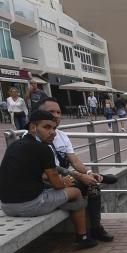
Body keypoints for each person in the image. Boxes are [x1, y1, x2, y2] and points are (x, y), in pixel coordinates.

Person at [0, 110, 97, 249]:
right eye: (47, 127)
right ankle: (82, 237)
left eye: (54, 128)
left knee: (55, 190)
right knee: (75, 192)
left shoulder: (16, 145)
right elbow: (57, 184)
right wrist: (65, 182)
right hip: (29, 205)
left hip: (6, 205)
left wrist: (73, 176)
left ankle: (64, 208)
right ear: (33, 127)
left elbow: (38, 173)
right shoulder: (43, 149)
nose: (53, 132)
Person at [38, 98, 115, 242]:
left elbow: (74, 160)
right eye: (51, 112)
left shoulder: (62, 136)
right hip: (47, 182)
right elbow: (45, 172)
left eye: (58, 112)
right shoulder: (34, 139)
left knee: (92, 185)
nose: (56, 115)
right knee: (88, 186)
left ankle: (95, 228)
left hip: (63, 177)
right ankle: (85, 234)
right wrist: (79, 177)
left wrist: (87, 173)